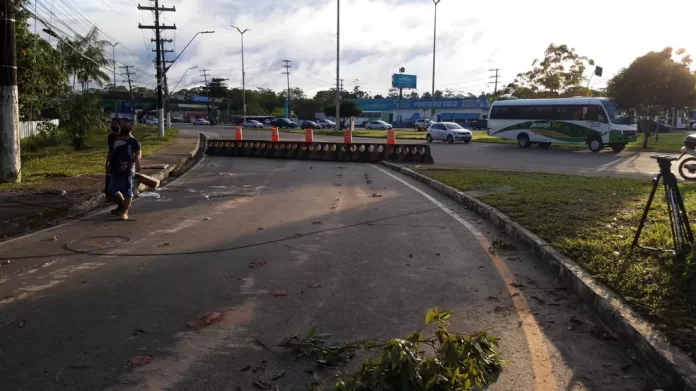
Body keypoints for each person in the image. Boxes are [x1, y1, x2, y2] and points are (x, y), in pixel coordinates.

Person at [107, 118, 141, 220]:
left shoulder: (133, 141)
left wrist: (130, 164)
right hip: (115, 169)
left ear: (130, 128)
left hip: (128, 170)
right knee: (112, 190)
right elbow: (112, 152)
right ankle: (125, 204)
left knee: (128, 191)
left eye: (125, 125)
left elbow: (138, 154)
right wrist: (108, 163)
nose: (123, 127)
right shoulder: (116, 139)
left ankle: (125, 212)